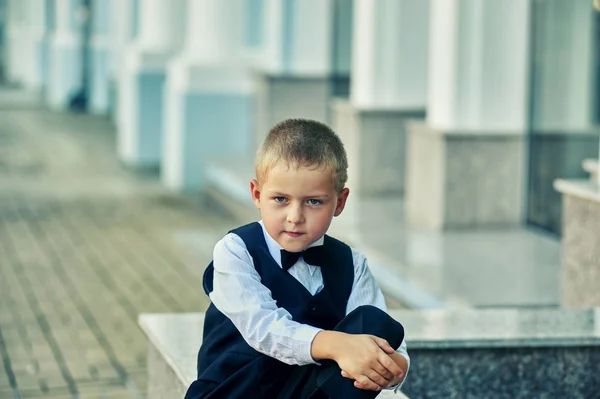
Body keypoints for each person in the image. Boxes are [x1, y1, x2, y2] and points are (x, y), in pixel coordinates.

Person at [185, 119, 409, 399]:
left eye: (313, 201)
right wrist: (337, 345)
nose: (295, 216)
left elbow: (392, 349)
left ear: (339, 203)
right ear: (256, 194)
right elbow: (263, 329)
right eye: (280, 199)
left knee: (375, 323)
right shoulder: (235, 250)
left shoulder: (351, 263)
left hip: (303, 391)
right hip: (235, 390)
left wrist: (393, 367)